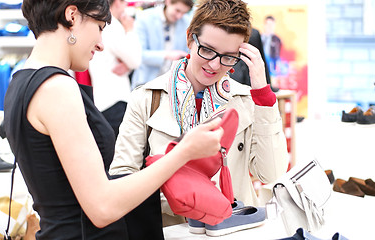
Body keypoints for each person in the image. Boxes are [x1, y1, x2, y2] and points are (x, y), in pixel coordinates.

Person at [2, 0, 225, 239]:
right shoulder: (57, 88)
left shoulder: (21, 82)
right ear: (72, 16)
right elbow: (102, 207)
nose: (100, 45)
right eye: (99, 26)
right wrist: (183, 153)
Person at [110, 0, 289, 226]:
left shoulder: (246, 100)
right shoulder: (147, 98)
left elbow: (271, 173)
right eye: (207, 50)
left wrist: (263, 95)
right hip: (172, 229)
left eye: (228, 56)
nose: (214, 65)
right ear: (189, 39)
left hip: (234, 229)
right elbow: (122, 176)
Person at [89, 0, 141, 138]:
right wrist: (130, 30)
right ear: (118, 2)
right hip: (114, 99)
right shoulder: (112, 25)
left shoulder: (96, 23)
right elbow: (135, 60)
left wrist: (127, 65)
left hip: (102, 99)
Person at [130, 0, 194, 89]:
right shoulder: (144, 17)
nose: (179, 16)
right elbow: (139, 54)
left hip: (173, 85)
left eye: (184, 13)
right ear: (168, 2)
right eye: (177, 10)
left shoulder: (187, 21)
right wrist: (167, 55)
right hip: (145, 82)